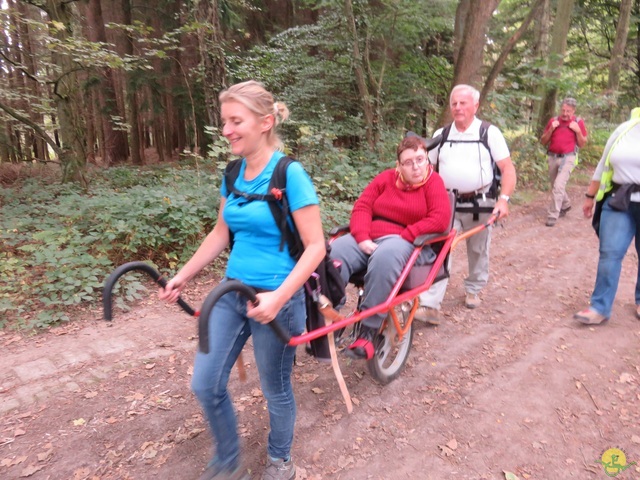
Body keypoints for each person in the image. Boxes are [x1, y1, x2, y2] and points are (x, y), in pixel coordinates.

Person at [159, 80, 325, 480]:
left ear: (265, 122)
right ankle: (229, 459)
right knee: (205, 382)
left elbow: (316, 246)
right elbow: (221, 233)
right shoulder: (232, 172)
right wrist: (183, 275)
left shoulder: (290, 173)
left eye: (236, 121)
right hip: (231, 293)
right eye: (224, 122)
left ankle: (280, 461)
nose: (227, 130)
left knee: (276, 389)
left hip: (276, 299)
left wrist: (278, 298)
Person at [329, 135, 451, 359]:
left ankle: (368, 332)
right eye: (408, 162)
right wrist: (362, 236)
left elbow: (440, 219)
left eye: (420, 159)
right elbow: (362, 206)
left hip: (408, 242)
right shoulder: (385, 179)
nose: (416, 166)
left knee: (385, 257)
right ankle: (330, 319)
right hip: (371, 236)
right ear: (399, 165)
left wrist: (406, 234)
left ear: (426, 159)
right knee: (334, 252)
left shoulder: (433, 183)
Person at [416, 84, 517, 323]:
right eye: (454, 103)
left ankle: (473, 289)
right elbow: (427, 169)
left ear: (475, 106)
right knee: (440, 248)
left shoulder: (488, 132)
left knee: (478, 249)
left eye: (463, 103)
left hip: (481, 202)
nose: (458, 107)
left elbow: (507, 168)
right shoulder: (442, 133)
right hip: (447, 203)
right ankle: (430, 305)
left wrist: (503, 200)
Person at [574, 107, 640, 325]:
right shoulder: (624, 129)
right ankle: (599, 307)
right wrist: (589, 196)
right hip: (619, 199)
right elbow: (603, 165)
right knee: (609, 253)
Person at [540, 97, 588, 227]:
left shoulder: (578, 122)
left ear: (573, 111)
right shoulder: (553, 121)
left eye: (568, 111)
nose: (565, 114)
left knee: (558, 186)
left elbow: (582, 143)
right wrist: (551, 129)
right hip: (552, 156)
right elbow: (543, 141)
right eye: (563, 110)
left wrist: (577, 131)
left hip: (569, 157)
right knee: (555, 185)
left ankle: (553, 215)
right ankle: (566, 205)